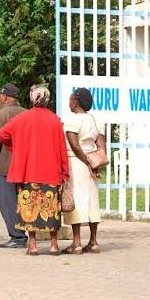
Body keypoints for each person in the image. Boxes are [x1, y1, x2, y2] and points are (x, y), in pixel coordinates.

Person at [0, 85, 69, 256]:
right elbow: (62, 150)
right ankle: (53, 245)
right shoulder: (55, 120)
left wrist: (16, 148)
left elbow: (3, 133)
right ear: (47, 99)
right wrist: (65, 172)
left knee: (29, 208)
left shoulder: (23, 118)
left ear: (32, 99)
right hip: (51, 172)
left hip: (28, 171)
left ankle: (33, 245)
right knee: (51, 209)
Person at [61, 88, 104, 254]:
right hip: (92, 164)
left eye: (71, 99)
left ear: (76, 102)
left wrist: (85, 161)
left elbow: (74, 145)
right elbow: (101, 145)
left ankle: (76, 243)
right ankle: (93, 241)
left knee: (76, 201)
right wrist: (95, 163)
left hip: (76, 162)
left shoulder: (72, 120)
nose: (69, 102)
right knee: (92, 200)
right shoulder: (95, 120)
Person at [0, 83, 28, 248]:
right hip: (25, 166)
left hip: (4, 167)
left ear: (4, 97)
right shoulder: (27, 114)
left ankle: (17, 237)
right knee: (24, 200)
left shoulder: (0, 116)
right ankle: (27, 232)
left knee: (8, 203)